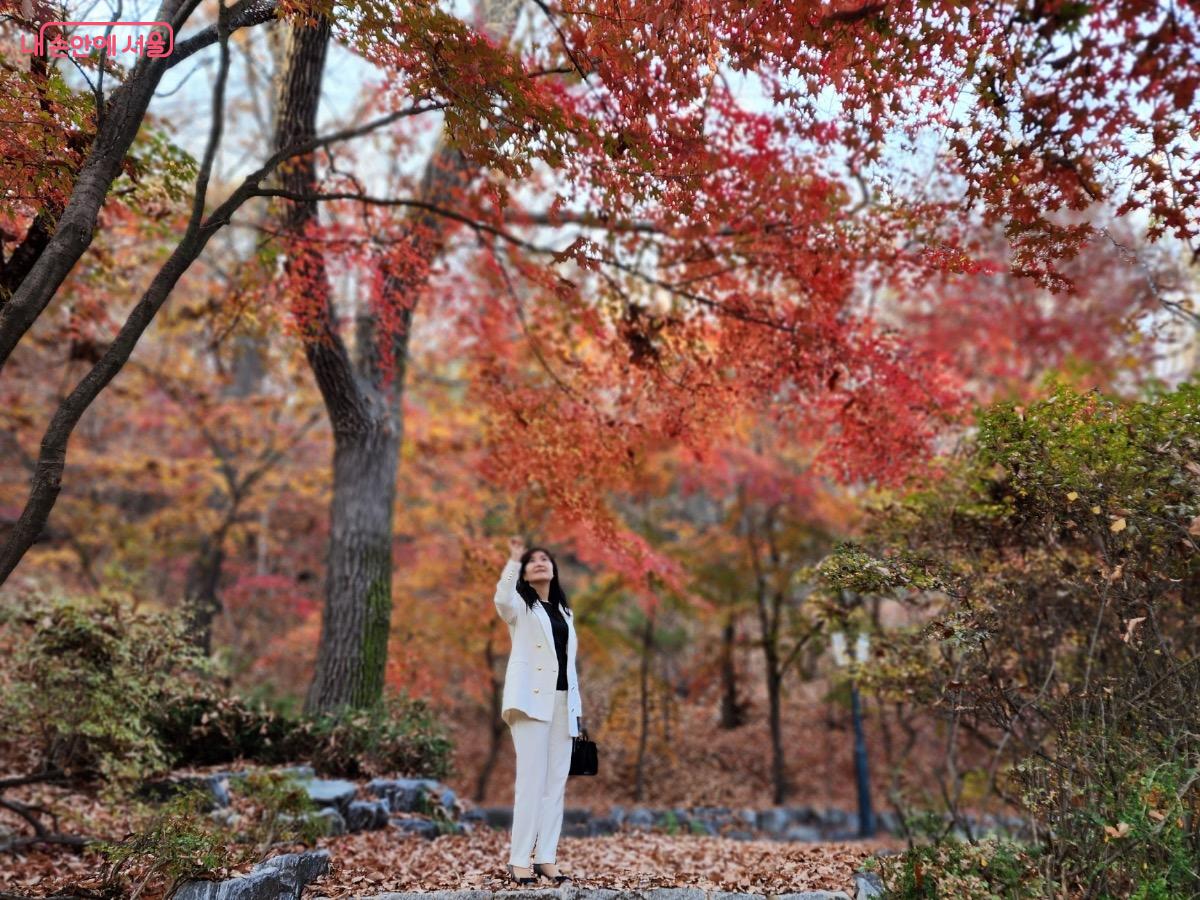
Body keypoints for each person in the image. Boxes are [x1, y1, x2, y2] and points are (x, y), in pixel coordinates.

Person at [494, 535, 584, 886]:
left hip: (562, 703)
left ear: (554, 569)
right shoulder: (520, 608)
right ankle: (519, 860)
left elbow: (567, 665)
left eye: (545, 559)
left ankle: (547, 857)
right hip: (531, 703)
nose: (540, 562)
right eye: (533, 561)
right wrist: (514, 559)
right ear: (525, 574)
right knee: (531, 783)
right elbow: (501, 599)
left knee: (555, 785)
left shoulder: (564, 612)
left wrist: (576, 709)